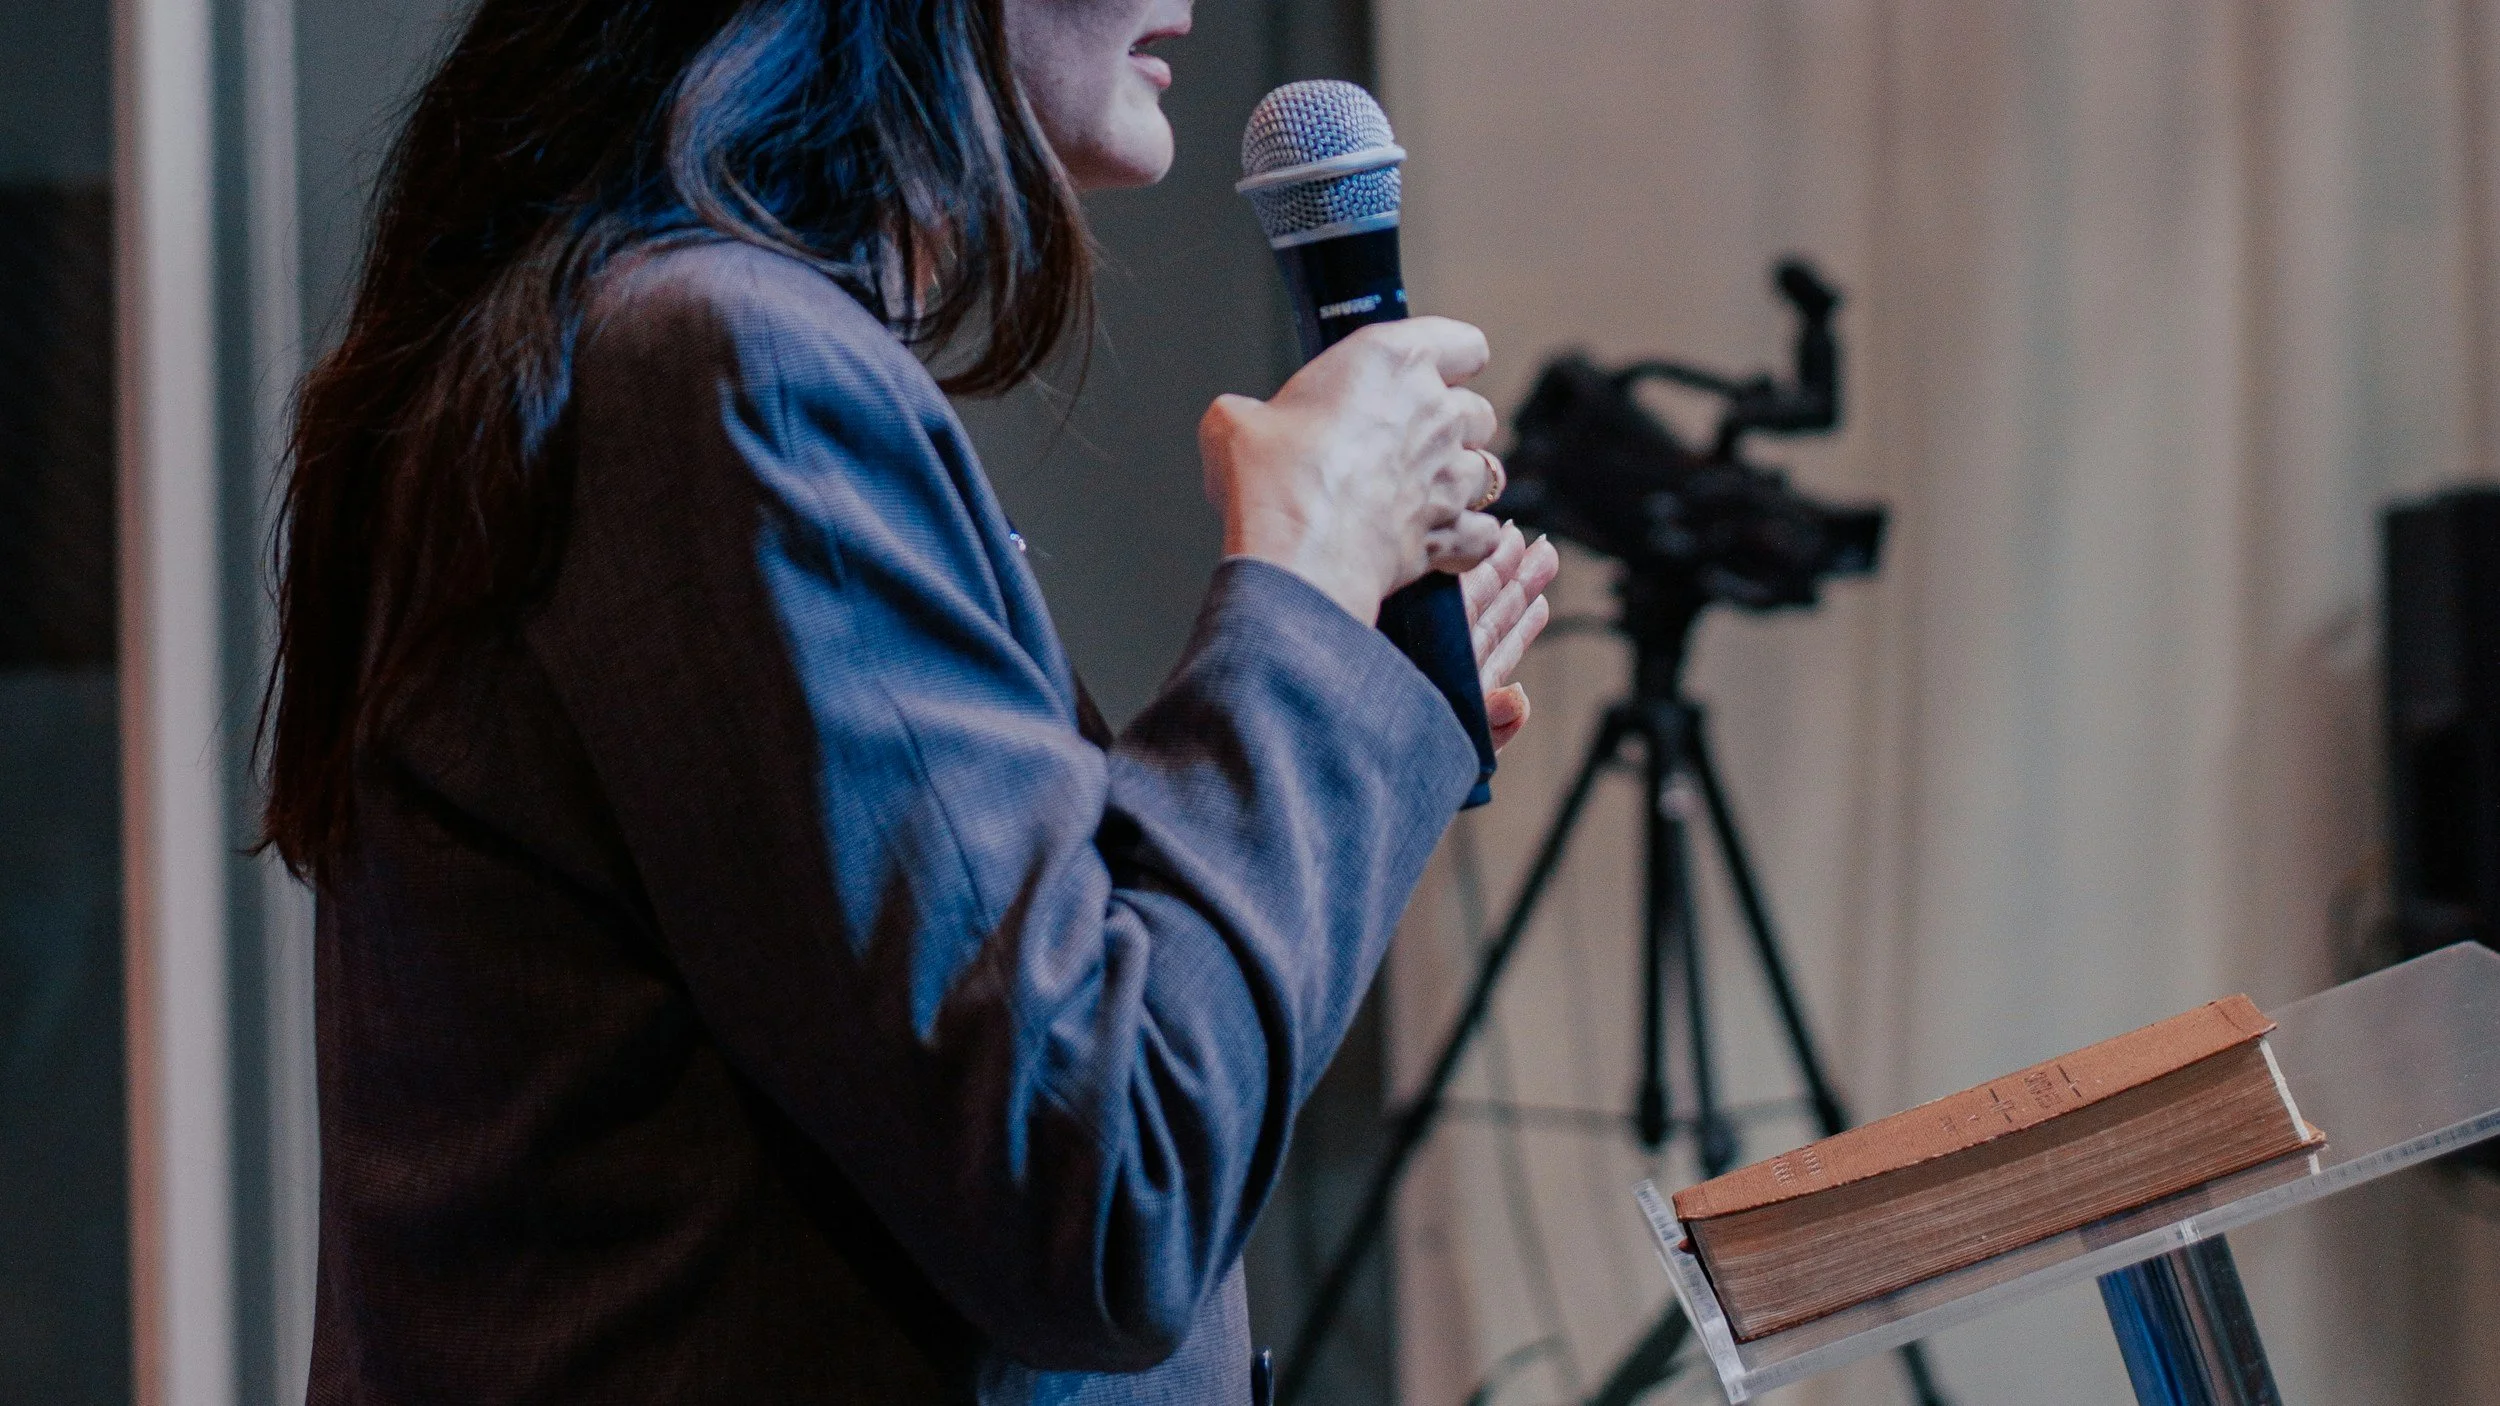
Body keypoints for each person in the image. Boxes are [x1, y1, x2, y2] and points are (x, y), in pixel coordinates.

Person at [260, 0, 1559, 1401]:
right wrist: (1302, 583)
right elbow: (1105, 1188)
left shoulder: (655, 348)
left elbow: (1058, 1067)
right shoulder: (724, 367)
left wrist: (1346, 712)